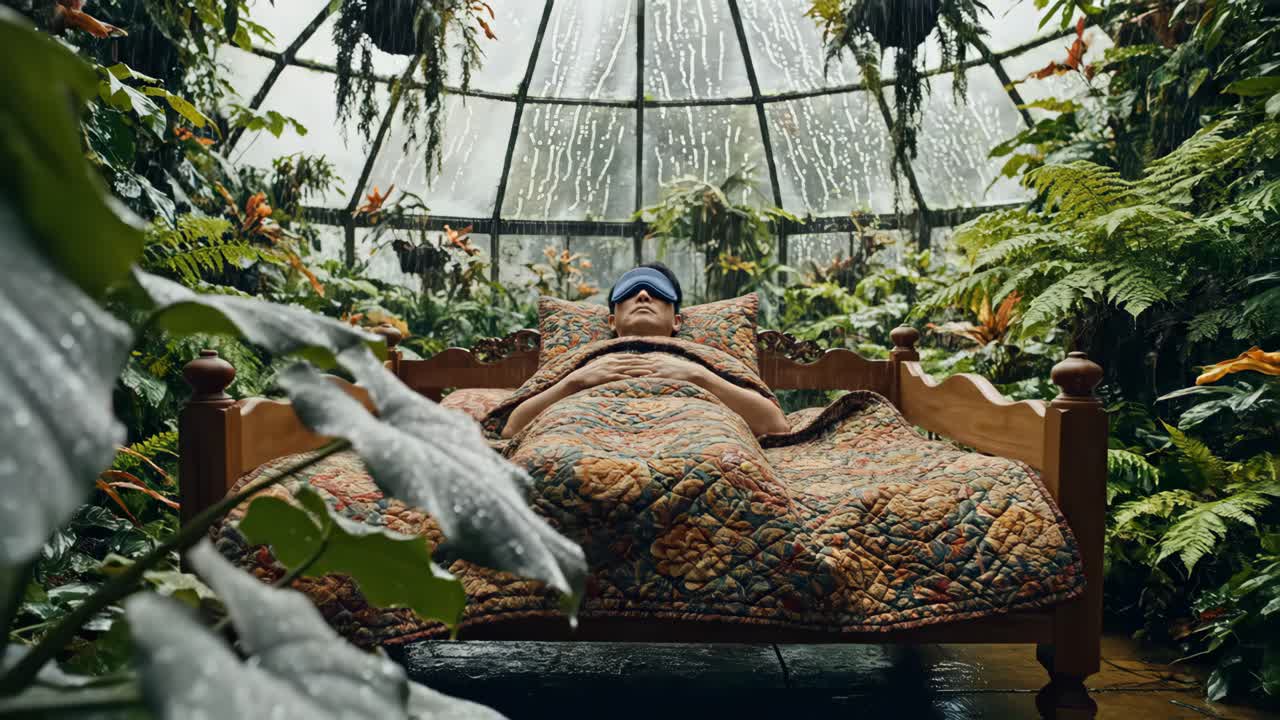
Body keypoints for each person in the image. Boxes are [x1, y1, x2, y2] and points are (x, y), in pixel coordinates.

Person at [501, 263, 790, 438]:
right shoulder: (583, 364)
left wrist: (697, 377)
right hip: (575, 436)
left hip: (700, 436)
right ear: (612, 321)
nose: (642, 295)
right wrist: (576, 382)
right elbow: (513, 430)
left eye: (657, 292)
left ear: (677, 321)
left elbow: (775, 426)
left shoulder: (702, 364)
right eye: (629, 292)